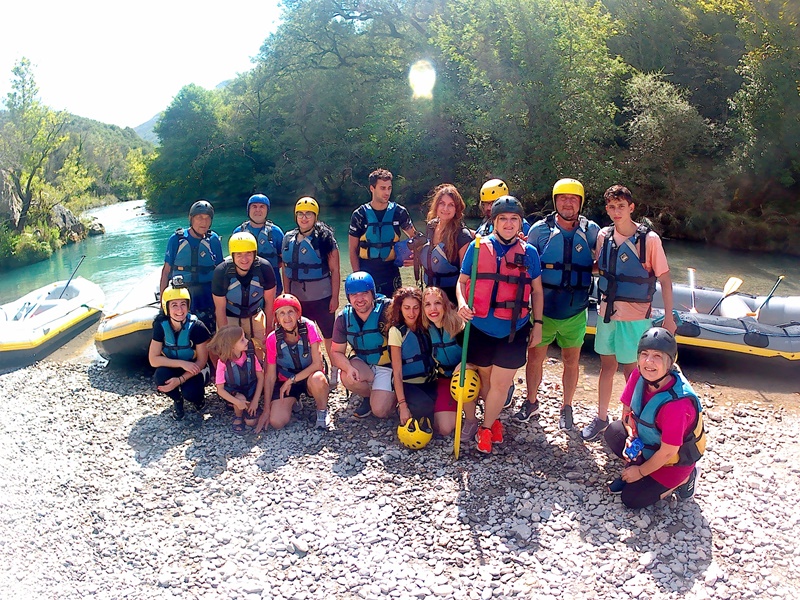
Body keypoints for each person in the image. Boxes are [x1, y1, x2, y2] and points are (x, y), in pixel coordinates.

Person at [582, 185, 676, 442]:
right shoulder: (604, 236)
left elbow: (665, 280)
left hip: (635, 317)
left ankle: (632, 422)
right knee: (606, 367)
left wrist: (669, 318)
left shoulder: (649, 240)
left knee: (632, 371)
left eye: (621, 206)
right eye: (611, 207)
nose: (616, 211)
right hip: (607, 313)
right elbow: (599, 267)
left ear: (631, 208)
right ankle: (602, 417)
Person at [456, 196, 544, 454]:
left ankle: (485, 428)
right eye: (503, 218)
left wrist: (537, 324)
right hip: (480, 327)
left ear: (520, 223)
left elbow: (537, 292)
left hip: (514, 330)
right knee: (485, 381)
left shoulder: (530, 253)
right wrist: (461, 302)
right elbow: (462, 282)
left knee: (501, 384)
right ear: (493, 221)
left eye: (513, 219)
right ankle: (491, 421)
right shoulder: (477, 247)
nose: (508, 223)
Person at [516, 178, 600, 430]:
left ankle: (567, 406)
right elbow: (527, 266)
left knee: (571, 360)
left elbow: (604, 261)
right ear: (555, 201)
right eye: (562, 198)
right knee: (535, 358)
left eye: (573, 199)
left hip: (575, 309)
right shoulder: (540, 230)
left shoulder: (592, 231)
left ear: (581, 203)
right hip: (544, 309)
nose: (568, 203)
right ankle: (531, 401)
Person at [604, 327, 704, 509]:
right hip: (648, 444)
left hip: (674, 462)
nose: (649, 361)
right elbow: (627, 413)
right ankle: (639, 472)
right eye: (644, 354)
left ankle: (686, 478)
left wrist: (640, 472)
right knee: (614, 432)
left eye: (657, 356)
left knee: (631, 499)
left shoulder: (677, 404)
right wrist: (631, 436)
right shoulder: (638, 375)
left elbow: (668, 452)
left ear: (669, 363)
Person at [281, 196, 341, 384]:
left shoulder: (325, 238)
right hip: (298, 299)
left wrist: (335, 297)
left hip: (322, 296)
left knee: (329, 335)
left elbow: (335, 270)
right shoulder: (288, 238)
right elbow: (286, 270)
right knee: (302, 335)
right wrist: (286, 294)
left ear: (315, 217)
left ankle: (334, 368)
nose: (304, 218)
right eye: (300, 214)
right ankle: (311, 367)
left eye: (308, 214)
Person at [256, 294, 331, 432]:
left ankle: (322, 412)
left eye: (291, 311)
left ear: (298, 314)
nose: (287, 317)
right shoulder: (273, 339)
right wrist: (266, 409)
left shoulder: (309, 327)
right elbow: (270, 377)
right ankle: (294, 400)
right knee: (276, 422)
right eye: (282, 313)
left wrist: (291, 380)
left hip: (308, 376)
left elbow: (317, 364)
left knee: (318, 379)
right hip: (286, 381)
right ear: (277, 318)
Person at [330, 271, 395, 419]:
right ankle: (371, 396)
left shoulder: (388, 310)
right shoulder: (343, 318)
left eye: (364, 293)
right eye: (354, 295)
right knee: (346, 376)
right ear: (348, 297)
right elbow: (336, 352)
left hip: (388, 365)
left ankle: (390, 394)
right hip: (363, 364)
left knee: (380, 411)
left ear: (372, 293)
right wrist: (348, 367)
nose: (359, 299)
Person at [348, 168, 418, 297]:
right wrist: (358, 276)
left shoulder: (399, 212)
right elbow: (352, 250)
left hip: (391, 272)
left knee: (393, 313)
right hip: (367, 271)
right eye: (383, 188)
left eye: (389, 188)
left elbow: (416, 239)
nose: (387, 192)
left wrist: (415, 259)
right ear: (372, 188)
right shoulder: (359, 215)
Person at [148, 281, 211, 421]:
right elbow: (153, 359)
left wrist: (181, 379)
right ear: (166, 307)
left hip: (195, 369)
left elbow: (201, 361)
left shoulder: (197, 327)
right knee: (160, 377)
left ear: (188, 306)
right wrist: (182, 364)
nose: (180, 310)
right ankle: (177, 401)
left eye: (183, 304)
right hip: (179, 366)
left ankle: (198, 399)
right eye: (174, 305)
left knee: (192, 393)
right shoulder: (160, 325)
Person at [421, 286, 477, 437]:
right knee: (444, 429)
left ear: (445, 304)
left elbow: (479, 355)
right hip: (445, 377)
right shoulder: (426, 329)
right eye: (427, 304)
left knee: (463, 382)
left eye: (437, 303)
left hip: (467, 375)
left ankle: (471, 419)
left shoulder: (459, 324)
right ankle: (456, 406)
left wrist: (465, 365)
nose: (433, 308)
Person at [160, 200, 224, 331]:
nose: (204, 222)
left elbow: (221, 271)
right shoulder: (176, 239)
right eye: (199, 217)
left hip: (207, 292)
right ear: (191, 218)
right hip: (183, 292)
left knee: (209, 331)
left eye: (207, 218)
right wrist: (163, 302)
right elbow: (166, 272)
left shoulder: (213, 240)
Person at [212, 232, 277, 358]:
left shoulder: (264, 269)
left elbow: (270, 302)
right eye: (239, 254)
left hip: (255, 314)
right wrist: (225, 334)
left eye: (248, 253)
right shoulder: (221, 272)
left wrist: (269, 328)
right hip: (230, 316)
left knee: (265, 350)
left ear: (254, 254)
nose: (244, 259)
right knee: (229, 353)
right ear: (232, 255)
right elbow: (219, 308)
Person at [388, 287, 438, 429]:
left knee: (437, 409)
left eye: (416, 308)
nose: (412, 313)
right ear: (400, 308)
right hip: (408, 384)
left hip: (430, 380)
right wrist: (403, 404)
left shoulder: (427, 326)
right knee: (425, 406)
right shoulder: (396, 332)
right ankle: (401, 408)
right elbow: (397, 372)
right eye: (407, 308)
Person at [418, 184, 474, 305]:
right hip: (430, 294)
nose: (445, 208)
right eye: (442, 203)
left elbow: (465, 275)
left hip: (451, 298)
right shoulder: (431, 226)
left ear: (457, 209)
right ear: (436, 205)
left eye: (451, 205)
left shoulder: (462, 235)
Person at [208, 325, 264, 435]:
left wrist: (255, 401)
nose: (247, 341)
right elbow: (220, 389)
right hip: (234, 393)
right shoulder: (222, 362)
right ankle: (238, 414)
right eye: (242, 340)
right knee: (240, 398)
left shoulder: (251, 355)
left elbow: (261, 378)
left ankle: (250, 408)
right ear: (232, 346)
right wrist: (237, 402)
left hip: (251, 389)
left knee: (251, 422)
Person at [233, 194, 285, 294]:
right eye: (254, 206)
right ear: (248, 209)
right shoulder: (238, 232)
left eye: (262, 207)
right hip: (246, 285)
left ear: (267, 210)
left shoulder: (276, 232)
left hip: (271, 283)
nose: (258, 210)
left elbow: (283, 261)